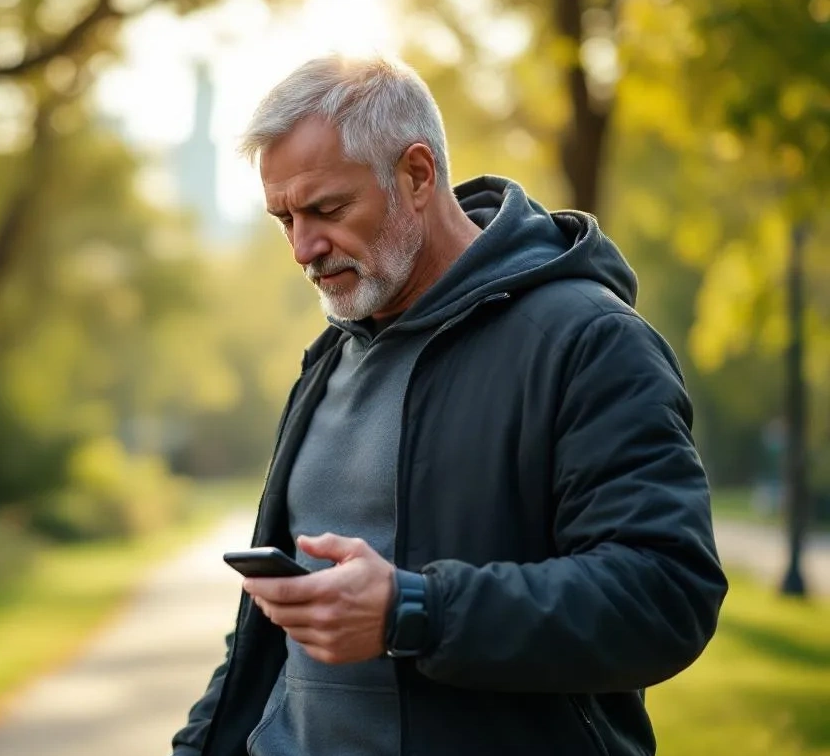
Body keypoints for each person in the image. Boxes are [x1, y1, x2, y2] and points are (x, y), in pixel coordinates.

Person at [171, 54, 728, 756]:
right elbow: (263, 637)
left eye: (327, 209)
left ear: (416, 175)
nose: (304, 248)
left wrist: (416, 610)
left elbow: (665, 594)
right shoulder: (330, 360)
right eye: (284, 218)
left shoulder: (587, 342)